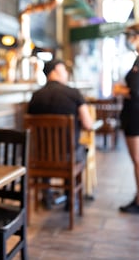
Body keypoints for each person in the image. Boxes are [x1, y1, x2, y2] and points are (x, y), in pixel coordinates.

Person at [27, 59, 93, 208]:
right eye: (64, 70)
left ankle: (47, 196)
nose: (66, 73)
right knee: (79, 149)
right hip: (68, 158)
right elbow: (88, 124)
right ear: (55, 71)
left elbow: (29, 127)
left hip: (40, 157)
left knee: (47, 150)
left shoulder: (35, 96)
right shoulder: (74, 93)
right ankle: (71, 198)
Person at [113, 23, 139, 214]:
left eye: (130, 36)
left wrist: (119, 90)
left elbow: (136, 92)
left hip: (136, 115)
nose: (128, 41)